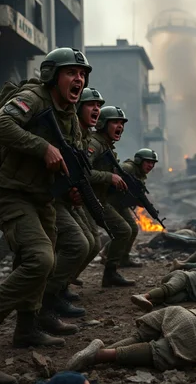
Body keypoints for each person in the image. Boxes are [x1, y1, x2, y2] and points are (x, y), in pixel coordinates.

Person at [0, 47, 91, 347]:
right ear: (52, 75)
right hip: (12, 191)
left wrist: (73, 190)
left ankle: (27, 328)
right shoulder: (35, 98)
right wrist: (42, 147)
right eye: (71, 73)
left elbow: (68, 164)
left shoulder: (71, 118)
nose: (78, 79)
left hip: (43, 198)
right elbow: (2, 123)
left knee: (41, 262)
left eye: (82, 74)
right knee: (40, 258)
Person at [66, 304, 196, 372]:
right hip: (192, 328)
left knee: (139, 336)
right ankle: (100, 356)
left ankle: (97, 348)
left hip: (180, 312)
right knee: (159, 351)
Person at [62, 87, 105, 300]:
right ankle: (51, 296)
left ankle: (59, 289)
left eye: (99, 106)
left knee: (91, 243)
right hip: (49, 197)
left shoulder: (84, 136)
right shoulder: (70, 132)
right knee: (78, 244)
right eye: (91, 105)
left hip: (68, 197)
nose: (96, 109)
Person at [87, 106, 136, 287]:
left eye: (122, 123)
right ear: (102, 124)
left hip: (99, 199)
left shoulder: (106, 146)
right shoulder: (95, 144)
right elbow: (82, 173)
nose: (120, 126)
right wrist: (109, 177)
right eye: (115, 122)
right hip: (86, 200)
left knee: (124, 230)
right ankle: (59, 285)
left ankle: (110, 274)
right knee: (86, 244)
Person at [102, 148, 159, 268]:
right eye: (147, 162)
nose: (151, 165)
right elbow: (114, 174)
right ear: (139, 160)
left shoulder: (140, 174)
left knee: (133, 228)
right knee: (123, 231)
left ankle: (124, 258)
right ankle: (108, 256)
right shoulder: (128, 168)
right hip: (108, 202)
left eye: (152, 163)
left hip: (121, 204)